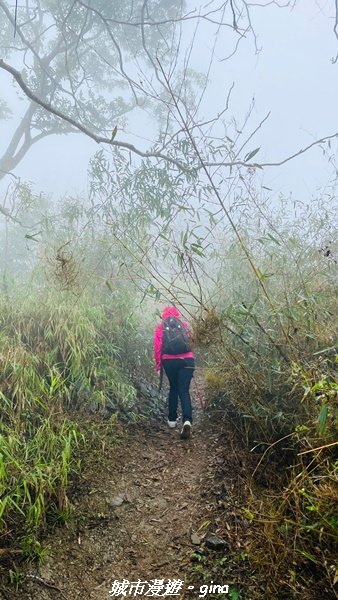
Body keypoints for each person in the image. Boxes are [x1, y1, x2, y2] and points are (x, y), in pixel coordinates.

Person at [153, 305, 195, 439]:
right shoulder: (184, 325)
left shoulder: (160, 327)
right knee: (184, 390)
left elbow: (157, 347)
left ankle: (172, 420)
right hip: (187, 359)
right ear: (177, 314)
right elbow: (191, 341)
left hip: (169, 361)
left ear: (163, 315)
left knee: (174, 388)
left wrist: (159, 366)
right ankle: (187, 420)